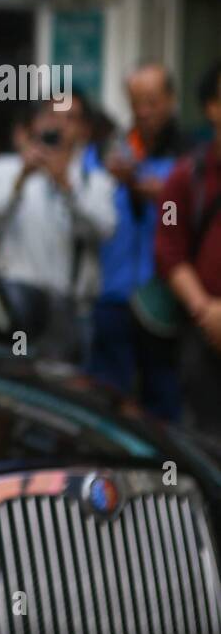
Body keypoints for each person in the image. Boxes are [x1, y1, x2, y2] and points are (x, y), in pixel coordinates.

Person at [0, 93, 117, 361]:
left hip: (67, 310)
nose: (59, 125)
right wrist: (19, 180)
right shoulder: (2, 170)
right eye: (52, 115)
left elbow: (105, 229)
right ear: (37, 122)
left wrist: (68, 187)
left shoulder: (94, 181)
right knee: (14, 381)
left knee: (62, 388)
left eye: (70, 119)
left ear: (84, 130)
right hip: (15, 302)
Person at [84, 64, 187, 420]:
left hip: (162, 302)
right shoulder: (108, 152)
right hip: (112, 296)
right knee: (105, 405)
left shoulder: (189, 159)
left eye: (152, 102)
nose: (143, 111)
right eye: (135, 103)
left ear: (172, 101)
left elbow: (181, 225)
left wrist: (165, 198)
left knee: (163, 407)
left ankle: (168, 476)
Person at [157, 61, 221, 430]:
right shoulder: (183, 178)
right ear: (211, 107)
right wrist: (206, 310)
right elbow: (168, 248)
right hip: (205, 332)